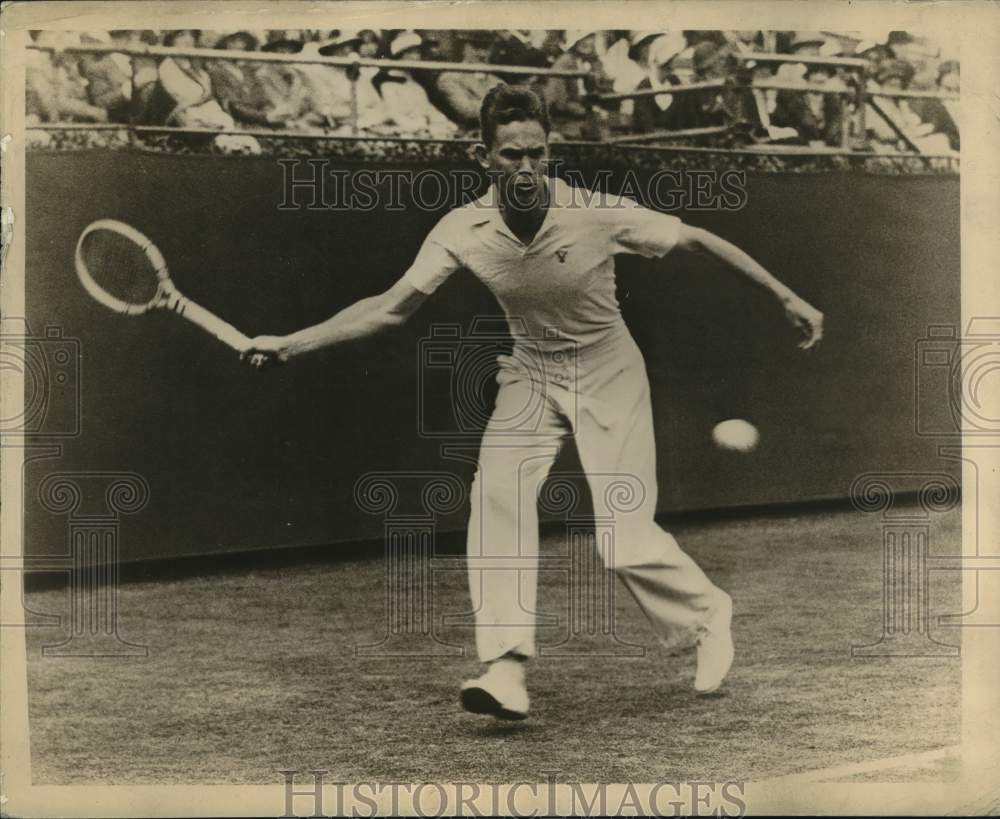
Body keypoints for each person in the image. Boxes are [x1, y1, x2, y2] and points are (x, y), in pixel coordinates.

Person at [240, 85, 824, 720]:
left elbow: (700, 240)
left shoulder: (595, 212)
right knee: (495, 497)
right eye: (511, 155)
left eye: (536, 155)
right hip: (531, 373)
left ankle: (708, 615)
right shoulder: (462, 228)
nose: (525, 169)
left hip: (609, 371)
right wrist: (293, 343)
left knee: (623, 540)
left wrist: (785, 295)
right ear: (483, 156)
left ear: (550, 152)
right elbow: (387, 310)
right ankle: (506, 668)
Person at [433, 30, 504, 129]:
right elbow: (467, 111)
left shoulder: (498, 82)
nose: (482, 54)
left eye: (486, 49)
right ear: (463, 48)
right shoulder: (449, 78)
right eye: (476, 48)